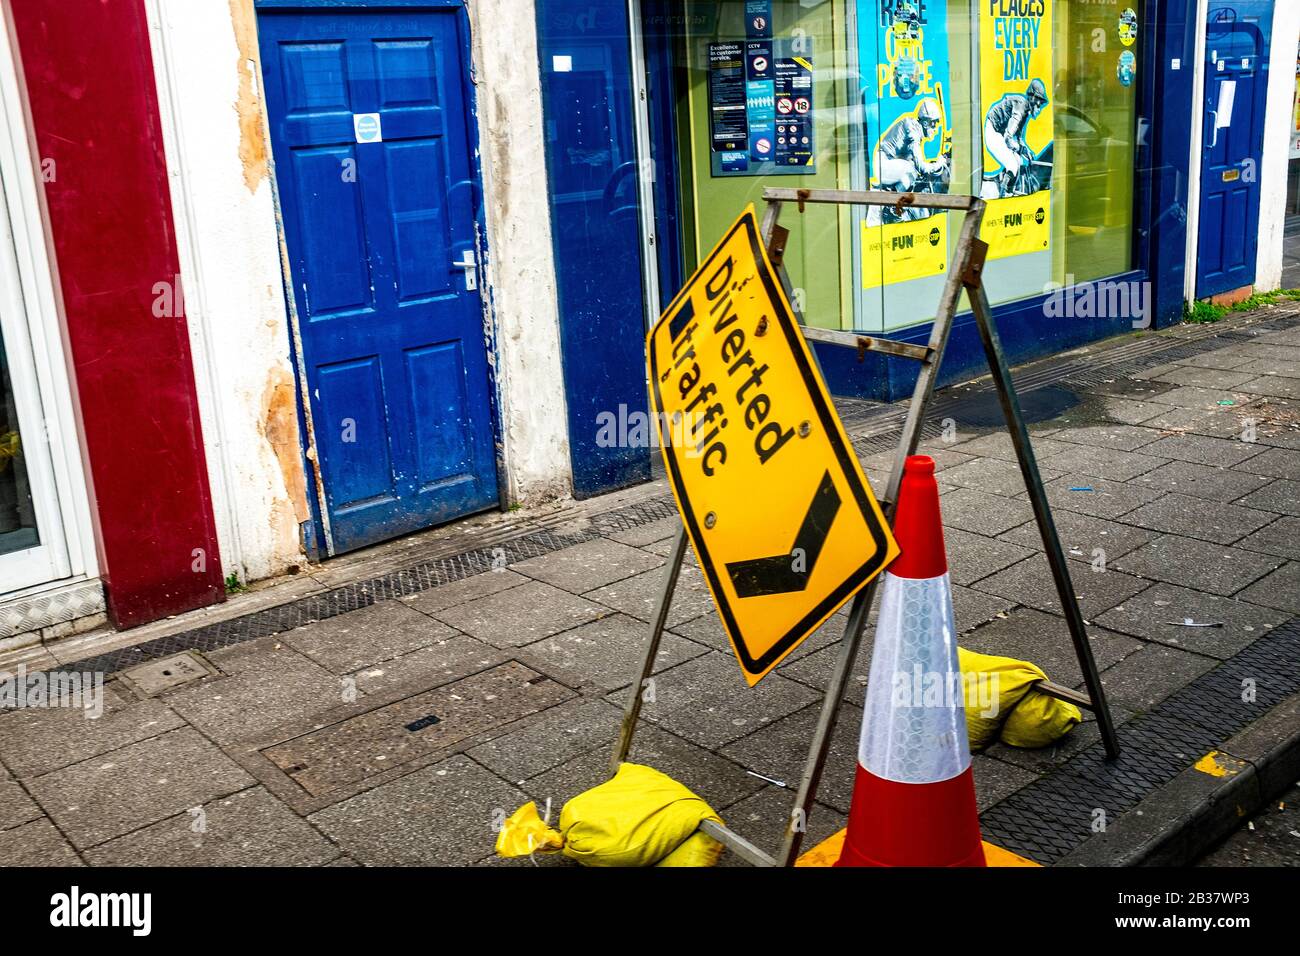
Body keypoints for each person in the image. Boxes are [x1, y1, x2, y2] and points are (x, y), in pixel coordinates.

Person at [983, 78, 1048, 196]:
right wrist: (1020, 149)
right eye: (1039, 103)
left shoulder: (1026, 111)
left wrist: (1027, 151)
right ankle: (1004, 195)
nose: (1040, 108)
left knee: (1018, 160)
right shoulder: (1021, 106)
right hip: (993, 130)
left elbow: (1018, 138)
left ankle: (1007, 189)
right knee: (1012, 164)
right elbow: (1008, 138)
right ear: (1033, 98)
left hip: (1000, 133)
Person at [875, 97, 947, 194]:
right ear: (925, 123)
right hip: (883, 163)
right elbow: (922, 168)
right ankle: (893, 197)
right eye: (934, 124)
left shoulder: (914, 128)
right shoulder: (913, 131)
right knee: (912, 171)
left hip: (886, 161)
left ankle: (895, 194)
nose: (936, 129)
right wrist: (939, 163)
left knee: (912, 168)